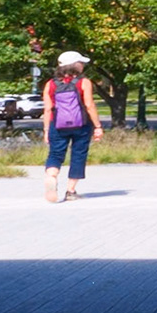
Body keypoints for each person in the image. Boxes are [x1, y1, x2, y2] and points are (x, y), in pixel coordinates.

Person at [43, 51, 104, 202]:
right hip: (81, 125)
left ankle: (51, 176)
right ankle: (70, 191)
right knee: (78, 155)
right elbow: (89, 105)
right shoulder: (84, 82)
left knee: (55, 154)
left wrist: (46, 130)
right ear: (76, 65)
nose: (83, 65)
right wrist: (97, 126)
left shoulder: (50, 84)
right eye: (81, 63)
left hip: (57, 124)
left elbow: (47, 109)